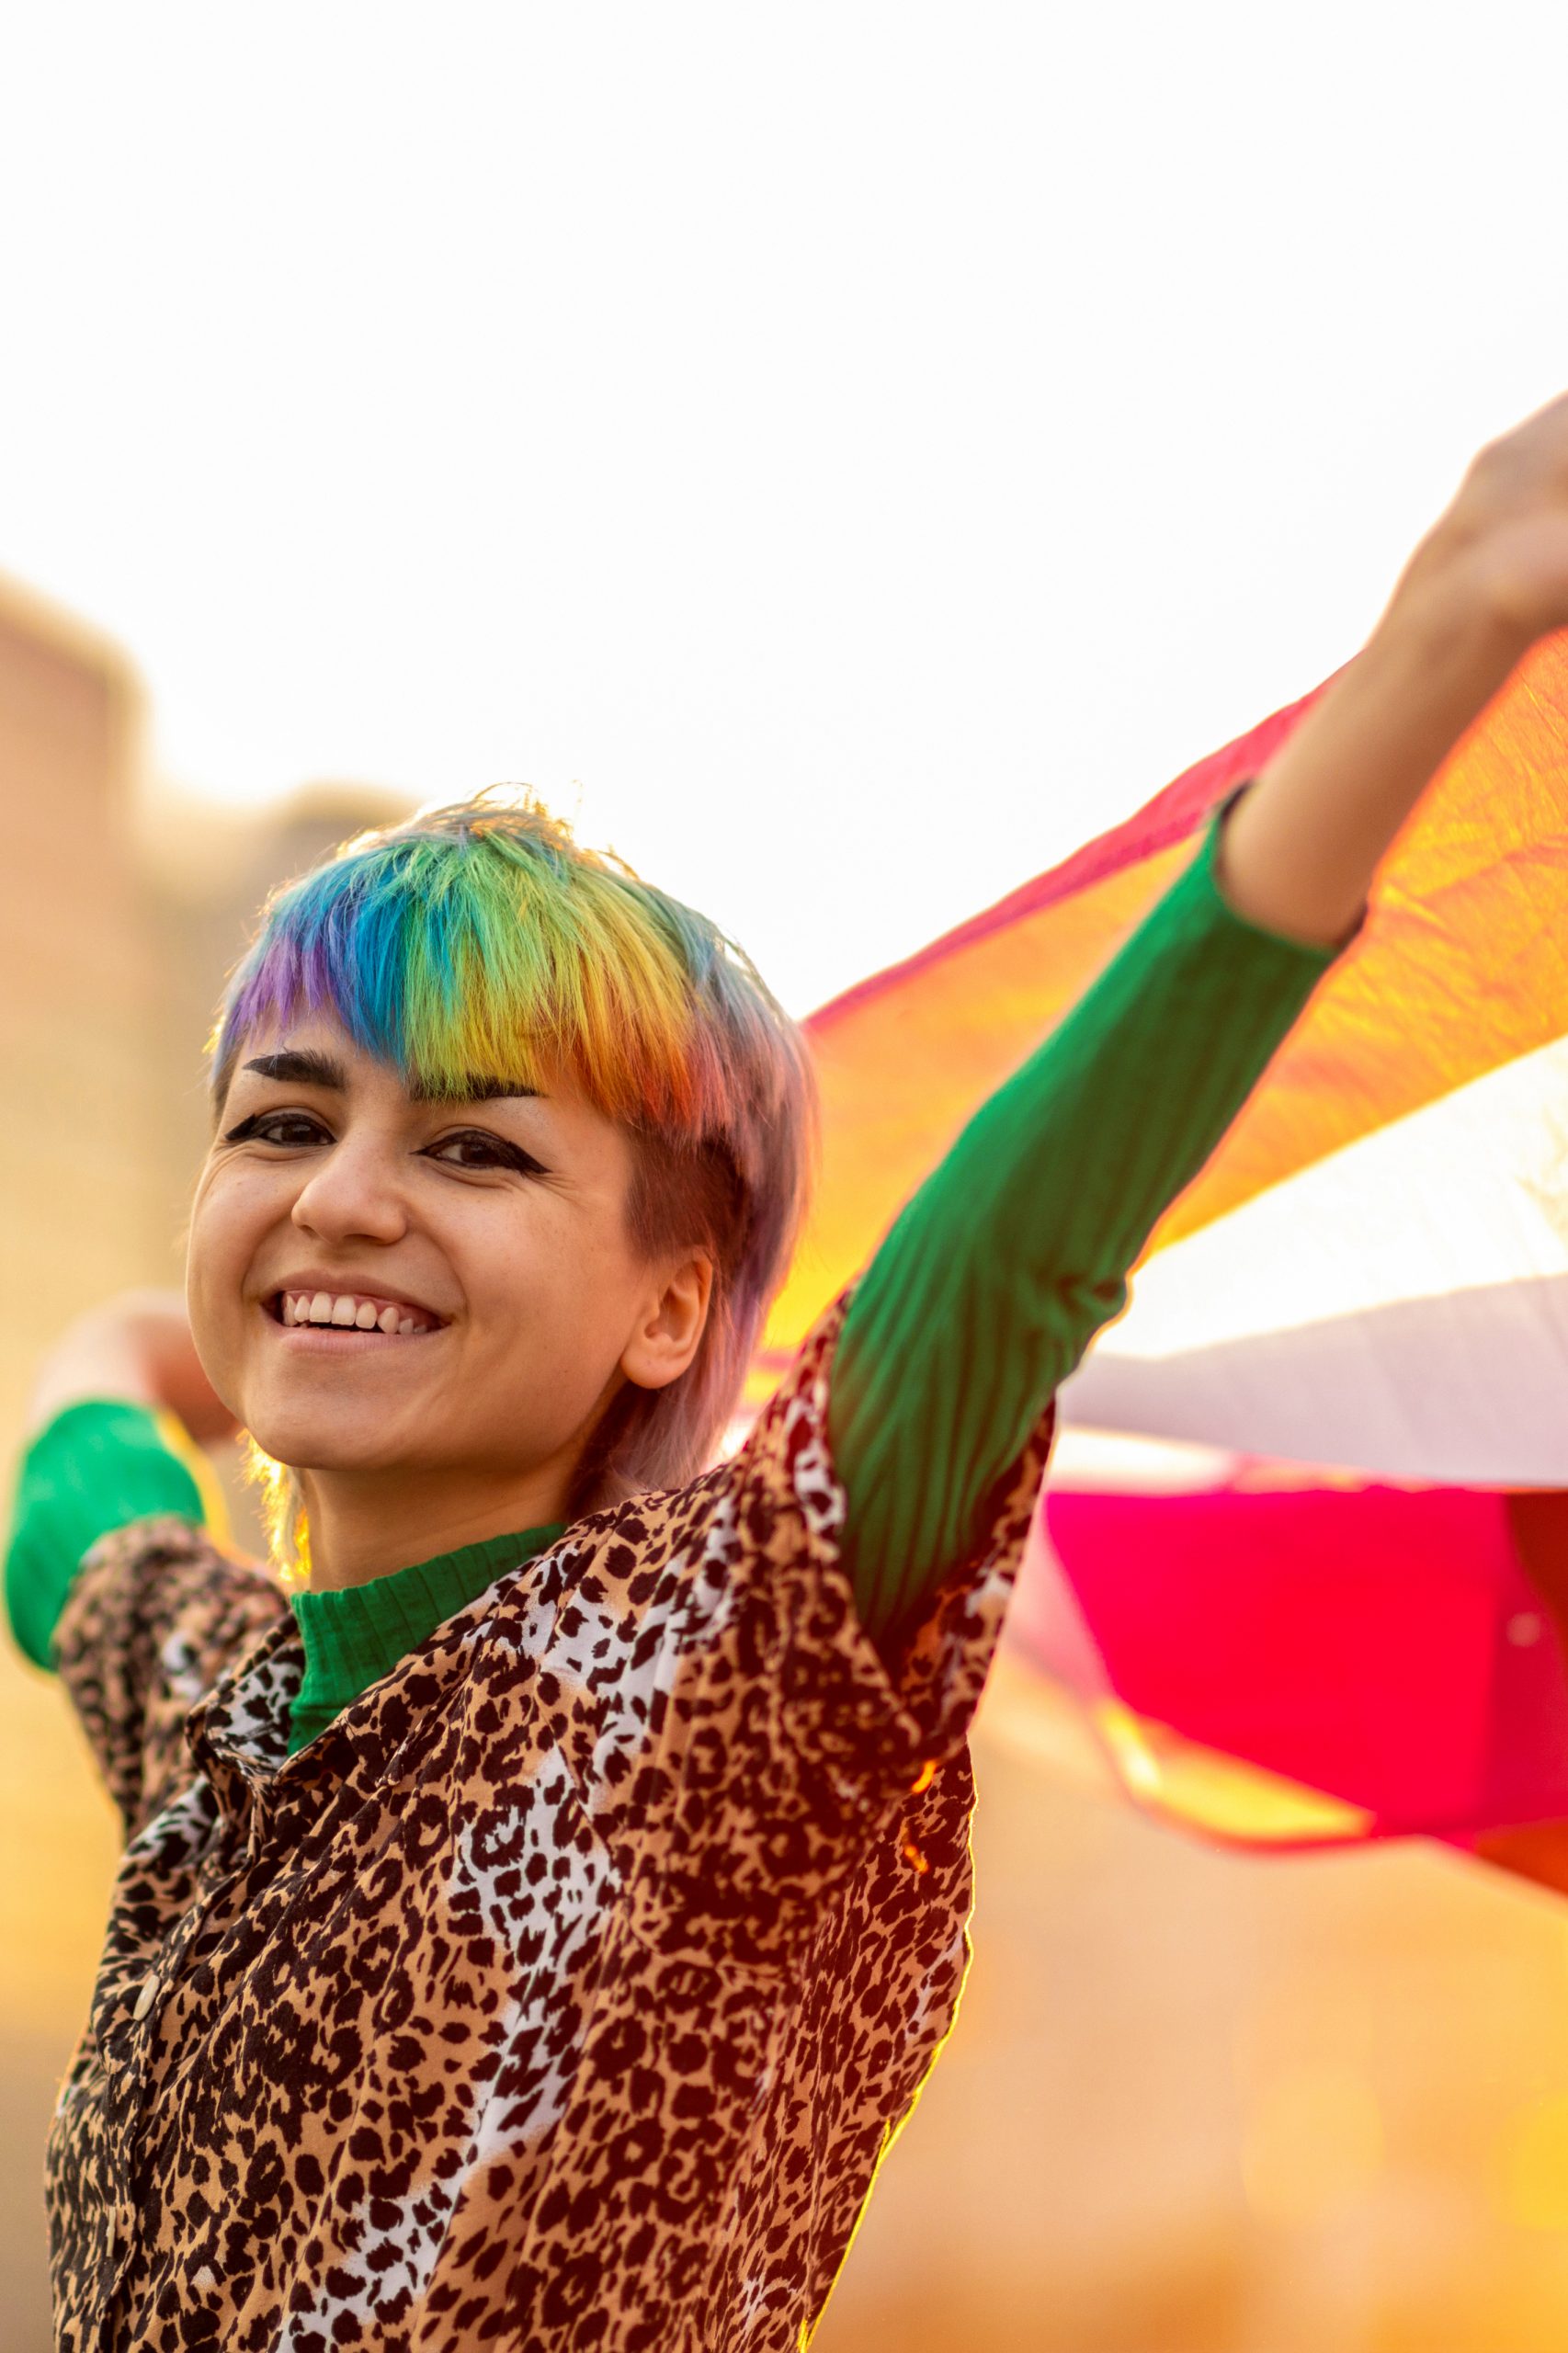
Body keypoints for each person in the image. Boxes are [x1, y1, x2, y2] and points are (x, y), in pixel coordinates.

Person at [9, 392, 1568, 2351]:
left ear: (673, 1305)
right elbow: (68, 1504)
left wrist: (1454, 621)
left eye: (475, 1147)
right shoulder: (211, 1707)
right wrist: (152, 1346)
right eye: (280, 1124)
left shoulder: (732, 1649)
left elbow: (1012, 1249)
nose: (341, 1197)